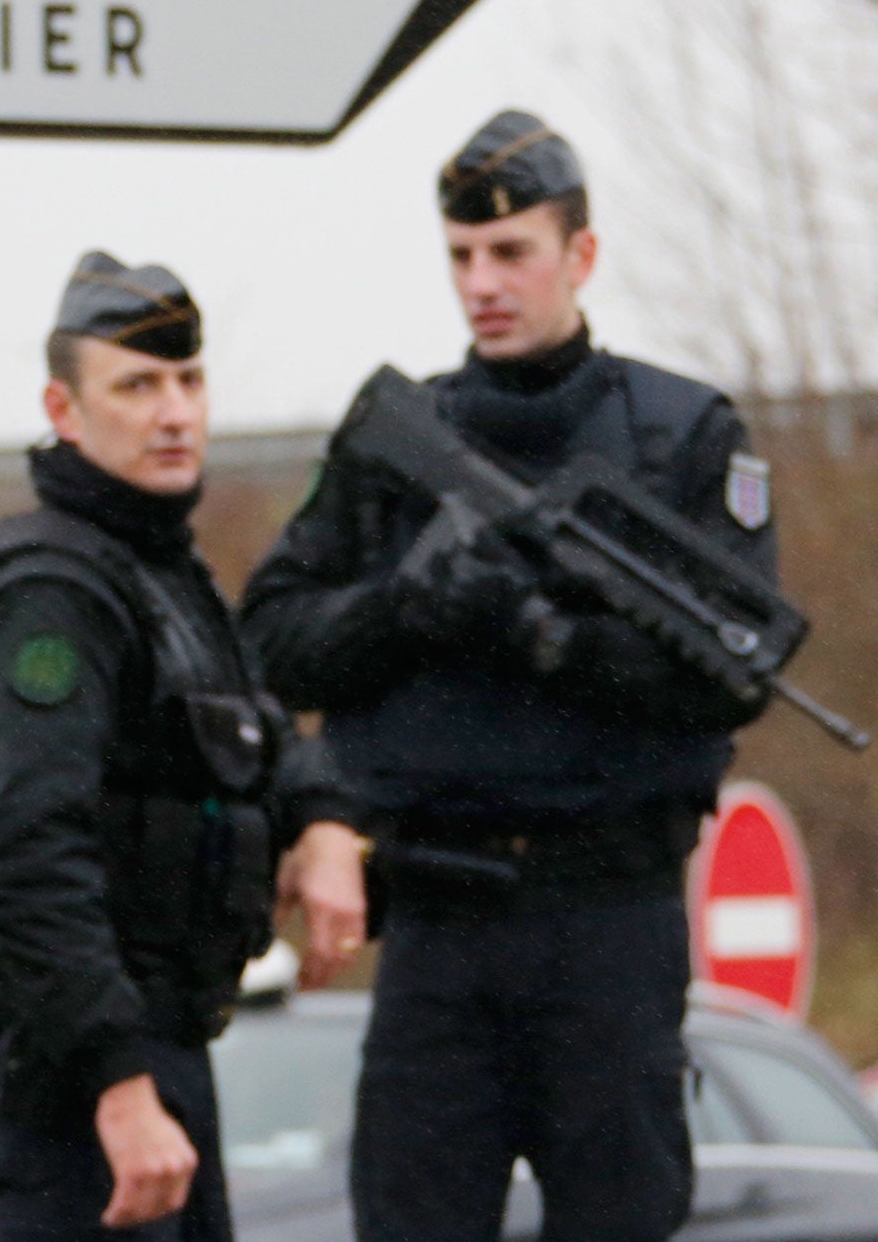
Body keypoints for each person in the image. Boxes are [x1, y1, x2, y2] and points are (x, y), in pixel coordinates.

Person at [240, 110, 776, 1242]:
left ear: (579, 255)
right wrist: (409, 607)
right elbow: (272, 639)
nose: (481, 282)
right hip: (436, 923)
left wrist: (541, 633)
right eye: (459, 256)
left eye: (509, 252)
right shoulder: (397, 440)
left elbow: (727, 677)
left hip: (607, 921)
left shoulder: (680, 439)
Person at [0, 252, 365, 1242]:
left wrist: (324, 820)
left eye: (187, 380)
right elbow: (19, 853)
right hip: (79, 1072)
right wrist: (116, 1081)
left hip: (162, 1043)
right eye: (135, 385)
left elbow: (248, 732)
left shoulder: (159, 571)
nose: (172, 412)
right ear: (64, 408)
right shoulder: (53, 589)